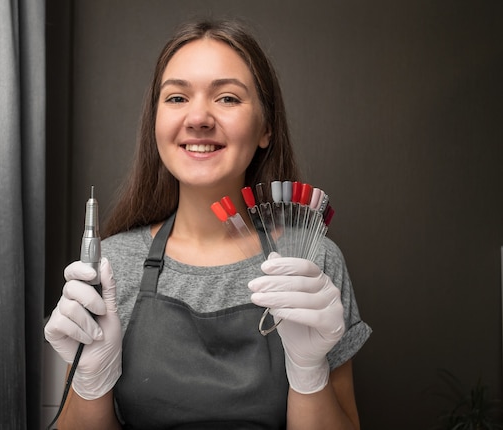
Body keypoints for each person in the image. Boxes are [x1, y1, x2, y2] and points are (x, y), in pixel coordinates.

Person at [44, 18, 372, 429]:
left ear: (266, 128)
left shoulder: (312, 263)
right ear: (156, 122)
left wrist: (310, 374)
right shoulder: (111, 268)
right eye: (177, 98)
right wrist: (90, 383)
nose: (198, 117)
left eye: (228, 98)